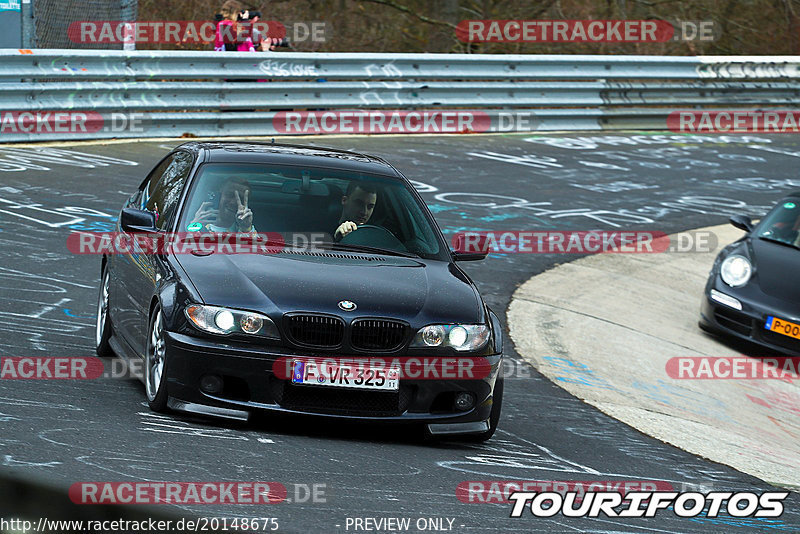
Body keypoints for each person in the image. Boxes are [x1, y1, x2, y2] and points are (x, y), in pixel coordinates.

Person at [191, 177, 256, 233]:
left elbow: (256, 246)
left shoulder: (245, 230)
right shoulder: (200, 224)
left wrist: (246, 228)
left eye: (240, 198)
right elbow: (185, 243)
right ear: (220, 195)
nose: (233, 202)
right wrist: (194, 225)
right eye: (230, 195)